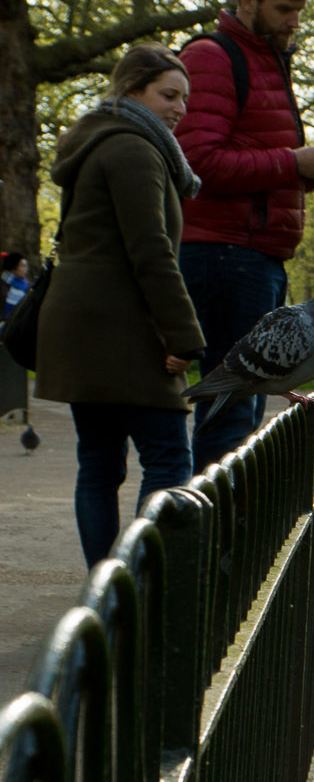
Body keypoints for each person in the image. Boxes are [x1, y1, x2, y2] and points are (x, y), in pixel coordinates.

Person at [176, 0, 314, 470]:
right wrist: (293, 161)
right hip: (224, 257)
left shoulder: (269, 58)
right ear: (246, 0)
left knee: (242, 419)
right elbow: (198, 162)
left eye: (298, 10)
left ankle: (222, 540)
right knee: (228, 420)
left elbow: (255, 164)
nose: (293, 22)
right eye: (282, 9)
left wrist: (307, 174)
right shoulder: (213, 57)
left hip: (257, 256)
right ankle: (208, 543)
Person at [35, 45, 206, 567]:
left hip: (80, 323)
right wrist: (183, 336)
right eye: (168, 94)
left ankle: (103, 592)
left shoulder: (94, 140)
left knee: (100, 462)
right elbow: (150, 250)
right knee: (168, 458)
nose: (179, 108)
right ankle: (142, 590)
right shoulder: (134, 148)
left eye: (184, 98)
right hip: (121, 323)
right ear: (133, 90)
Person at [1, 253, 29, 318]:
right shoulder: (5, 286)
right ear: (13, 269)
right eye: (22, 266)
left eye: (26, 266)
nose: (26, 269)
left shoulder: (24, 283)